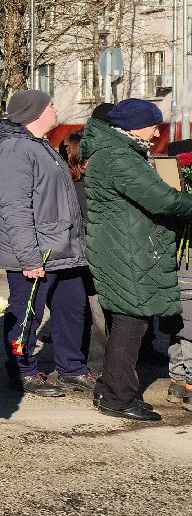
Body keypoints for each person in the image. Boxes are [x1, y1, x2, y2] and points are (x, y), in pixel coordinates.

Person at [82, 99, 192, 421]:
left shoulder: (118, 152)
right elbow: (162, 200)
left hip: (125, 247)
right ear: (132, 126)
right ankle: (118, 397)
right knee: (131, 324)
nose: (158, 132)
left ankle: (110, 389)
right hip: (126, 251)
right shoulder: (118, 157)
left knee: (127, 323)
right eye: (153, 124)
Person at [0, 89, 90, 397]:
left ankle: (71, 368)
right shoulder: (14, 150)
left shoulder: (37, 145)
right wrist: (29, 257)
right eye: (51, 105)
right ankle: (23, 371)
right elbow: (15, 208)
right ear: (35, 112)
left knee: (72, 308)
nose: (56, 109)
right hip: (35, 252)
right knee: (26, 313)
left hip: (62, 249)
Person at [58, 129, 107, 384]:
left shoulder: (67, 182)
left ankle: (84, 362)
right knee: (96, 313)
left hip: (75, 256)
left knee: (84, 313)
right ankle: (95, 365)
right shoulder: (84, 186)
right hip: (89, 256)